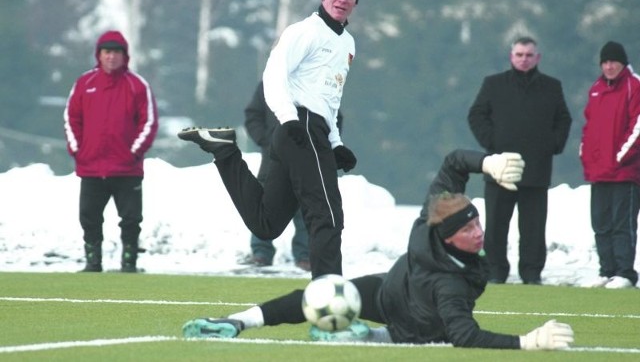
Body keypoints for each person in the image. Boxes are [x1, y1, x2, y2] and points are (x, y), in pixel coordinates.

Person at [181, 150, 574, 351]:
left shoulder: (432, 216)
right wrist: (525, 342)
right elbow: (463, 336)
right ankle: (242, 322)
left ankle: (244, 323)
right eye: (469, 228)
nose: (479, 233)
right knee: (328, 303)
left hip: (394, 292)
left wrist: (486, 162)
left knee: (324, 299)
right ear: (449, 237)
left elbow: (454, 162)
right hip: (410, 325)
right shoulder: (448, 285)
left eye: (477, 223)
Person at [178, 0, 360, 279]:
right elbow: (273, 75)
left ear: (356, 2)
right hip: (299, 126)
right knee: (327, 214)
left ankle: (224, 152)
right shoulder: (304, 31)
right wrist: (288, 120)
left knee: (267, 222)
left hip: (311, 131)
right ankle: (330, 295)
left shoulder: (348, 44)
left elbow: (330, 98)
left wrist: (335, 142)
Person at [467, 36, 572, 285]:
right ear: (511, 56)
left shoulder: (551, 86)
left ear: (537, 57)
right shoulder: (493, 84)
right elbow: (476, 115)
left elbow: (563, 120)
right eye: (519, 54)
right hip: (500, 168)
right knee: (495, 225)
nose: (524, 59)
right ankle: (494, 272)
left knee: (534, 227)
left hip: (536, 168)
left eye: (528, 55)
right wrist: (493, 143)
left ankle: (532, 272)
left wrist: (552, 145)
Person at [63, 30, 159, 273]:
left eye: (117, 52)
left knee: (130, 219)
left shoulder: (137, 85)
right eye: (107, 52)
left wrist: (133, 153)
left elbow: (148, 122)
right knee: (89, 217)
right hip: (91, 167)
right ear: (99, 55)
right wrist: (78, 150)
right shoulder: (84, 83)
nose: (111, 57)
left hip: (127, 168)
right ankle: (93, 262)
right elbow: (71, 118)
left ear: (124, 56)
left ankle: (129, 262)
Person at [580, 41, 640, 289]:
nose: (609, 66)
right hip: (599, 172)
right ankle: (607, 270)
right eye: (605, 62)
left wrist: (618, 158)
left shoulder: (633, 86)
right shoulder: (596, 89)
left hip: (624, 172)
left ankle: (625, 272)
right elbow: (589, 125)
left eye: (613, 61)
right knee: (601, 223)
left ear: (622, 62)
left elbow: (637, 127)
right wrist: (585, 154)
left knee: (622, 224)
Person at [243, 81, 311, 271]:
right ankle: (261, 253)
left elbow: (333, 116)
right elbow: (252, 115)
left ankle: (305, 255)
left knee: (306, 207)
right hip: (271, 158)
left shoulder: (313, 80)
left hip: (306, 156)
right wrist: (265, 140)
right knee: (263, 205)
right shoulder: (267, 84)